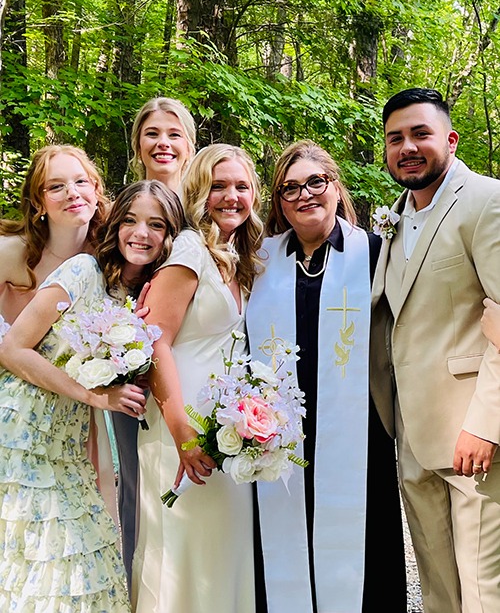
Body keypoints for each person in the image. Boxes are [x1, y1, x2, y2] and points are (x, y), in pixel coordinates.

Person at [0, 179, 185, 611]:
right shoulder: (82, 272)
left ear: (171, 235)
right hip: (20, 433)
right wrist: (96, 395)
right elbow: (12, 348)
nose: (141, 233)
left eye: (156, 225)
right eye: (131, 221)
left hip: (65, 444)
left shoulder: (139, 296)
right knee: (41, 563)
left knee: (89, 563)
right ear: (116, 223)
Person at [245, 140, 406, 613]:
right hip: (275, 430)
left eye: (316, 182)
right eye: (289, 188)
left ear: (336, 187)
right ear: (278, 202)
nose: (304, 195)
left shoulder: (374, 253)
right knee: (281, 543)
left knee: (358, 539)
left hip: (356, 429)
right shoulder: (260, 260)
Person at [370, 87, 500, 613]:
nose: (408, 147)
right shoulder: (394, 218)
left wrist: (486, 425)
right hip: (413, 439)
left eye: (420, 134)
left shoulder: (486, 201)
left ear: (449, 138)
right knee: (438, 591)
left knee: (483, 591)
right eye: (395, 138)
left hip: (473, 440)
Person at [131, 143, 263, 613]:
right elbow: (155, 340)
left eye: (241, 186)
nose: (231, 196)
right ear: (198, 191)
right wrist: (182, 431)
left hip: (226, 430)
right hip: (180, 426)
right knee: (185, 550)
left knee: (220, 550)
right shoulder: (189, 250)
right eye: (218, 186)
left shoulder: (235, 253)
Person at [113, 95, 197, 590]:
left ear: (190, 143)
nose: (162, 143)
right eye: (152, 133)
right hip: (138, 365)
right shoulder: (125, 207)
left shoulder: (207, 203)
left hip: (200, 362)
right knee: (137, 485)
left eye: (173, 133)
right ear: (138, 143)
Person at [0, 144, 107, 325]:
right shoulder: (10, 252)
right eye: (56, 187)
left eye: (81, 181)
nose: (72, 193)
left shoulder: (110, 249)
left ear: (96, 190)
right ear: (37, 203)